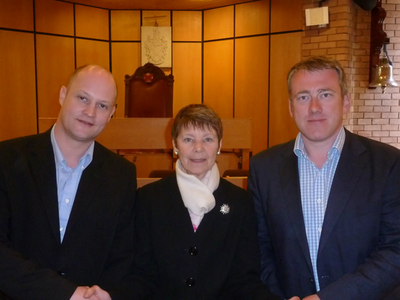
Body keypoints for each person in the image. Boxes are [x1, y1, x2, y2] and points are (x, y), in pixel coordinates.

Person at [248, 55, 400, 300]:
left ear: (346, 102)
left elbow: (396, 249)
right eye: (303, 97)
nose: (314, 107)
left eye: (325, 94)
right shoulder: (263, 168)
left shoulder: (388, 164)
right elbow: (259, 248)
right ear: (290, 107)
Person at [0, 65, 137, 300]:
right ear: (63, 95)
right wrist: (65, 293)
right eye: (83, 98)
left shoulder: (121, 174)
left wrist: (104, 295)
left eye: (102, 105)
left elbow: (123, 255)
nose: (90, 112)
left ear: (112, 112)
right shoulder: (7, 158)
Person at [128, 104, 283, 299]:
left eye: (208, 139)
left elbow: (245, 280)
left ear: (219, 145)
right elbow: (142, 275)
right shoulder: (148, 199)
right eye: (188, 139)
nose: (198, 148)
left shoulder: (240, 202)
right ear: (175, 145)